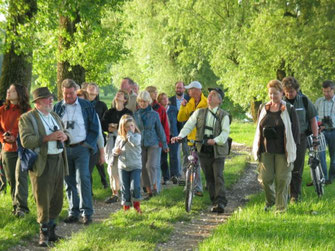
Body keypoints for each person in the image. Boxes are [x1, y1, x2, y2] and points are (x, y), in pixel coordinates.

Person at [19, 87, 70, 246]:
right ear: (38, 102)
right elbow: (26, 141)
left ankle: (53, 231)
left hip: (58, 160)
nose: (51, 101)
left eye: (51, 98)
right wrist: (48, 137)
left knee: (56, 197)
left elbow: (65, 133)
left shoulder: (54, 115)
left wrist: (64, 135)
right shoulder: (27, 118)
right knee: (43, 198)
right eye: (48, 99)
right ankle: (44, 235)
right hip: (42, 162)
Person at [172, 88, 230, 213]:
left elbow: (225, 133)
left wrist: (215, 140)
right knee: (209, 177)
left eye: (214, 95)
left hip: (217, 149)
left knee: (218, 175)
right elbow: (189, 125)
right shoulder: (199, 112)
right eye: (209, 94)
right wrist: (180, 136)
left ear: (219, 100)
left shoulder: (224, 115)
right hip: (203, 147)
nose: (210, 96)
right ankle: (215, 201)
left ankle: (221, 202)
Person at [54, 79, 99, 225]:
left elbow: (94, 127)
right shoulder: (57, 107)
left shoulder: (86, 106)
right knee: (68, 180)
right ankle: (73, 212)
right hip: (64, 149)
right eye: (65, 93)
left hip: (81, 148)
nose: (68, 96)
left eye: (71, 93)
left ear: (76, 91)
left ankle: (87, 212)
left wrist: (88, 145)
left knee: (83, 179)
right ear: (62, 92)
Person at [252, 80, 300, 213]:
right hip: (266, 150)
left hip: (283, 151)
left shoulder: (288, 109)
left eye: (275, 93)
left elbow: (295, 130)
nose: (273, 96)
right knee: (265, 179)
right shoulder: (263, 108)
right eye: (270, 93)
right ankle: (271, 201)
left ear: (282, 93)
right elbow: (258, 128)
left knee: (282, 180)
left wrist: (294, 148)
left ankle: (280, 208)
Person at [282, 77, 318, 202]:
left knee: (297, 168)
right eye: (286, 91)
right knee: (284, 167)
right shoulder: (280, 102)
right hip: (284, 138)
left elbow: (313, 120)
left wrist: (315, 138)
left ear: (296, 90)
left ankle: (295, 196)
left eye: (291, 91)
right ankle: (283, 195)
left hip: (300, 138)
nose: (288, 94)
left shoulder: (304, 101)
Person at [0, 84, 31, 217]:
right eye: (8, 90)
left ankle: (22, 208)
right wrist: (4, 139)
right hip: (7, 149)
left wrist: (16, 137)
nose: (8, 92)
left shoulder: (27, 110)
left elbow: (30, 129)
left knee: (21, 178)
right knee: (12, 179)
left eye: (12, 90)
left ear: (19, 93)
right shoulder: (1, 110)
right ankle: (16, 207)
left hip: (23, 149)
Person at [134, 91, 168, 199]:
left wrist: (164, 144)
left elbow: (160, 129)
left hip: (153, 143)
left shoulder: (154, 114)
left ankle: (155, 187)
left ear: (149, 101)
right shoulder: (135, 115)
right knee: (143, 167)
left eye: (144, 101)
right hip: (140, 143)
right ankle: (149, 191)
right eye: (140, 101)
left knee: (151, 165)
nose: (142, 104)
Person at [101, 90, 133, 203]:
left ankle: (126, 191)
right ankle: (114, 192)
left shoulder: (128, 112)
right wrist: (109, 126)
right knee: (111, 166)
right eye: (117, 94)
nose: (117, 95)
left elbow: (130, 125)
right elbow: (103, 124)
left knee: (125, 166)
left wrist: (118, 127)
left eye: (120, 95)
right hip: (111, 141)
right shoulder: (109, 112)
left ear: (125, 100)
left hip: (124, 141)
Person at [177, 81, 207, 196]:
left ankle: (206, 184)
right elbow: (180, 118)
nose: (188, 91)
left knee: (205, 164)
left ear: (196, 90)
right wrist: (182, 107)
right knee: (192, 162)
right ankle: (193, 187)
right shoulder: (189, 102)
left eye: (190, 89)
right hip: (191, 138)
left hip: (204, 138)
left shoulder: (206, 102)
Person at [77, 88, 106, 196]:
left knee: (85, 174)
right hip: (75, 149)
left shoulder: (93, 115)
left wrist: (102, 153)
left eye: (82, 101)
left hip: (91, 149)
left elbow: (99, 135)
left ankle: (86, 197)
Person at [113, 115, 142, 213]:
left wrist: (129, 134)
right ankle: (126, 208)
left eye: (132, 126)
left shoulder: (137, 136)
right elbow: (114, 150)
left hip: (135, 166)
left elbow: (134, 142)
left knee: (135, 187)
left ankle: (137, 205)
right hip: (123, 166)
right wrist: (116, 151)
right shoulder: (119, 138)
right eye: (127, 127)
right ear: (123, 128)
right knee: (125, 188)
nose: (130, 128)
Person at [146, 86, 169, 191]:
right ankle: (148, 187)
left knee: (155, 165)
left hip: (157, 141)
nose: (156, 94)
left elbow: (165, 127)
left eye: (156, 92)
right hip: (144, 141)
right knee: (145, 166)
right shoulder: (141, 107)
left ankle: (156, 188)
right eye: (154, 92)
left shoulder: (160, 109)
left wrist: (165, 142)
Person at [85, 83, 108, 189]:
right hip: (85, 137)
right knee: (88, 165)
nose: (92, 88)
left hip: (98, 135)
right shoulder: (83, 103)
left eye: (94, 87)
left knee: (99, 160)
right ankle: (89, 188)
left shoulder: (101, 105)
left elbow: (105, 121)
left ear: (97, 92)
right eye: (90, 87)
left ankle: (104, 181)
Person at [315, 80, 335, 184]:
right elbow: (314, 116)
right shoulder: (318, 101)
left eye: (328, 91)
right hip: (321, 132)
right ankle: (324, 177)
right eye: (324, 91)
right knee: (321, 155)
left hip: (334, 131)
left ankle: (332, 177)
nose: (326, 94)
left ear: (333, 90)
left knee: (333, 157)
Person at [169, 81, 190, 181]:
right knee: (174, 153)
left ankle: (185, 172)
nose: (179, 89)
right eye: (177, 88)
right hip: (174, 129)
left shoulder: (189, 99)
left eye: (181, 88)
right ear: (175, 88)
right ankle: (175, 173)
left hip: (186, 128)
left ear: (184, 89)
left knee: (186, 151)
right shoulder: (170, 100)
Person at [158, 92, 180, 184]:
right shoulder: (158, 110)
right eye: (163, 98)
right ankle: (165, 177)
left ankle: (174, 176)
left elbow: (179, 122)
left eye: (166, 98)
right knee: (163, 158)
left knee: (173, 156)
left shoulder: (174, 109)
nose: (165, 100)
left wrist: (179, 135)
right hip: (162, 137)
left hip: (173, 136)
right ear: (159, 100)